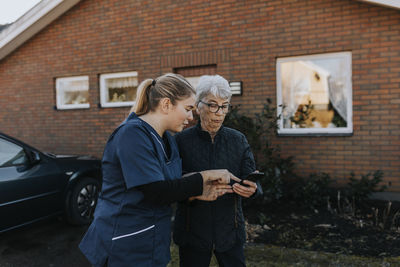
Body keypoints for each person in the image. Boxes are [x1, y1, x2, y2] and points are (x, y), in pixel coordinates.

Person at [79, 73, 239, 267]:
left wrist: (199, 192)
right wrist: (204, 177)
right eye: (188, 109)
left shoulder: (167, 139)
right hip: (123, 244)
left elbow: (172, 183)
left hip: (153, 242)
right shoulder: (132, 135)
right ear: (166, 105)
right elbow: (156, 191)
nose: (191, 116)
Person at [173, 75, 258, 267]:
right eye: (212, 105)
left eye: (224, 106)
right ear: (198, 105)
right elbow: (171, 185)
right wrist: (193, 193)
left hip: (230, 232)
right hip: (192, 231)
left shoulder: (238, 140)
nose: (219, 112)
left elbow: (251, 178)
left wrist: (252, 189)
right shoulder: (181, 141)